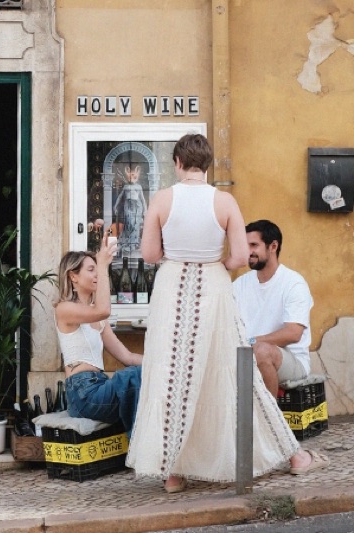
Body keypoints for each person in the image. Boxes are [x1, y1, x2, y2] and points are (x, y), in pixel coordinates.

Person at [125, 133, 328, 494]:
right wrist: (213, 262)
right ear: (207, 165)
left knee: (172, 373)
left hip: (172, 286)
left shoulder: (161, 199)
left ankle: (174, 471)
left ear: (177, 163)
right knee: (232, 372)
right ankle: (292, 454)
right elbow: (238, 258)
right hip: (213, 286)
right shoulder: (224, 202)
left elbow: (151, 255)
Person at [54, 237, 144, 434]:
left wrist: (160, 364)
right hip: (82, 394)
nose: (96, 274)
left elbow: (127, 357)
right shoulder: (64, 309)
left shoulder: (98, 318)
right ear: (73, 276)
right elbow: (104, 310)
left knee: (144, 375)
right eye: (91, 269)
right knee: (131, 377)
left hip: (100, 386)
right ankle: (138, 449)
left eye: (97, 269)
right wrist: (102, 264)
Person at [233, 220, 312, 398]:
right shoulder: (240, 285)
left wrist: (251, 342)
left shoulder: (293, 283)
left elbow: (293, 333)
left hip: (292, 361)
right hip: (248, 353)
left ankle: (270, 421)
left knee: (261, 351)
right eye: (245, 246)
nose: (248, 252)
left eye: (253, 245)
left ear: (273, 246)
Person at [113, 165, 148, 254]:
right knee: (129, 224)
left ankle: (133, 244)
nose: (132, 179)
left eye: (134, 177)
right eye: (130, 177)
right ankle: (128, 243)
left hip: (137, 206)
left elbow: (142, 199)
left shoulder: (139, 187)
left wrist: (145, 210)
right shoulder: (126, 187)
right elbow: (120, 197)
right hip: (128, 206)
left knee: (136, 224)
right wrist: (116, 206)